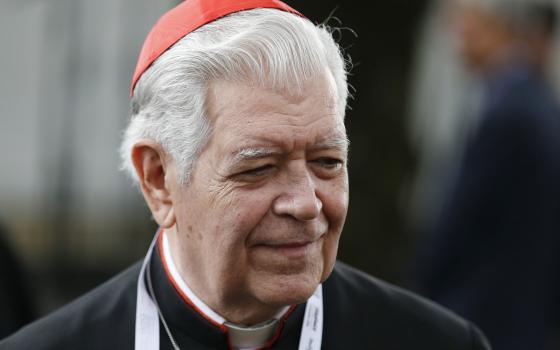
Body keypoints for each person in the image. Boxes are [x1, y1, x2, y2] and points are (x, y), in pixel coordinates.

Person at [0, 1, 491, 349]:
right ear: (159, 180)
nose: (305, 203)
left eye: (327, 162)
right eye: (258, 168)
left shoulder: (438, 342)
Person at [414, 1, 560, 349]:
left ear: (496, 28)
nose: (457, 38)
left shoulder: (508, 112)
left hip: (489, 312)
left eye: (466, 24)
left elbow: (460, 221)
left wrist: (422, 286)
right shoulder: (533, 100)